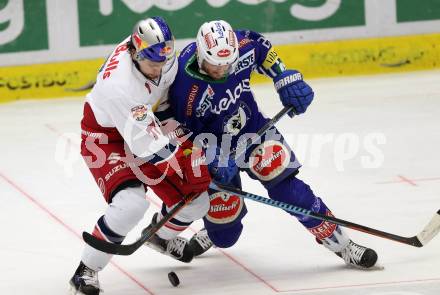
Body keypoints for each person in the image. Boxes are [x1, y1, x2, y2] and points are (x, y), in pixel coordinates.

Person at [169, 20, 379, 270]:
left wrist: (282, 76)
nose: (223, 69)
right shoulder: (182, 83)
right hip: (215, 150)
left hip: (255, 132)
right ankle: (210, 227)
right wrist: (205, 157)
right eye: (216, 63)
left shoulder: (242, 46)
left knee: (291, 193)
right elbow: (176, 133)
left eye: (228, 62)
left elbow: (261, 48)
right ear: (201, 55)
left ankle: (343, 245)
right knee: (225, 237)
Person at [69, 17, 211, 295]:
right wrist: (186, 163)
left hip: (148, 123)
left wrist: (189, 150)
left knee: (197, 203)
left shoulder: (158, 54)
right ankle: (86, 270)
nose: (159, 70)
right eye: (151, 64)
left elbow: (162, 105)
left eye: (163, 62)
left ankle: (160, 237)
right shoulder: (119, 86)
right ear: (134, 53)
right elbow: (147, 146)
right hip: (106, 138)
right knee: (130, 204)